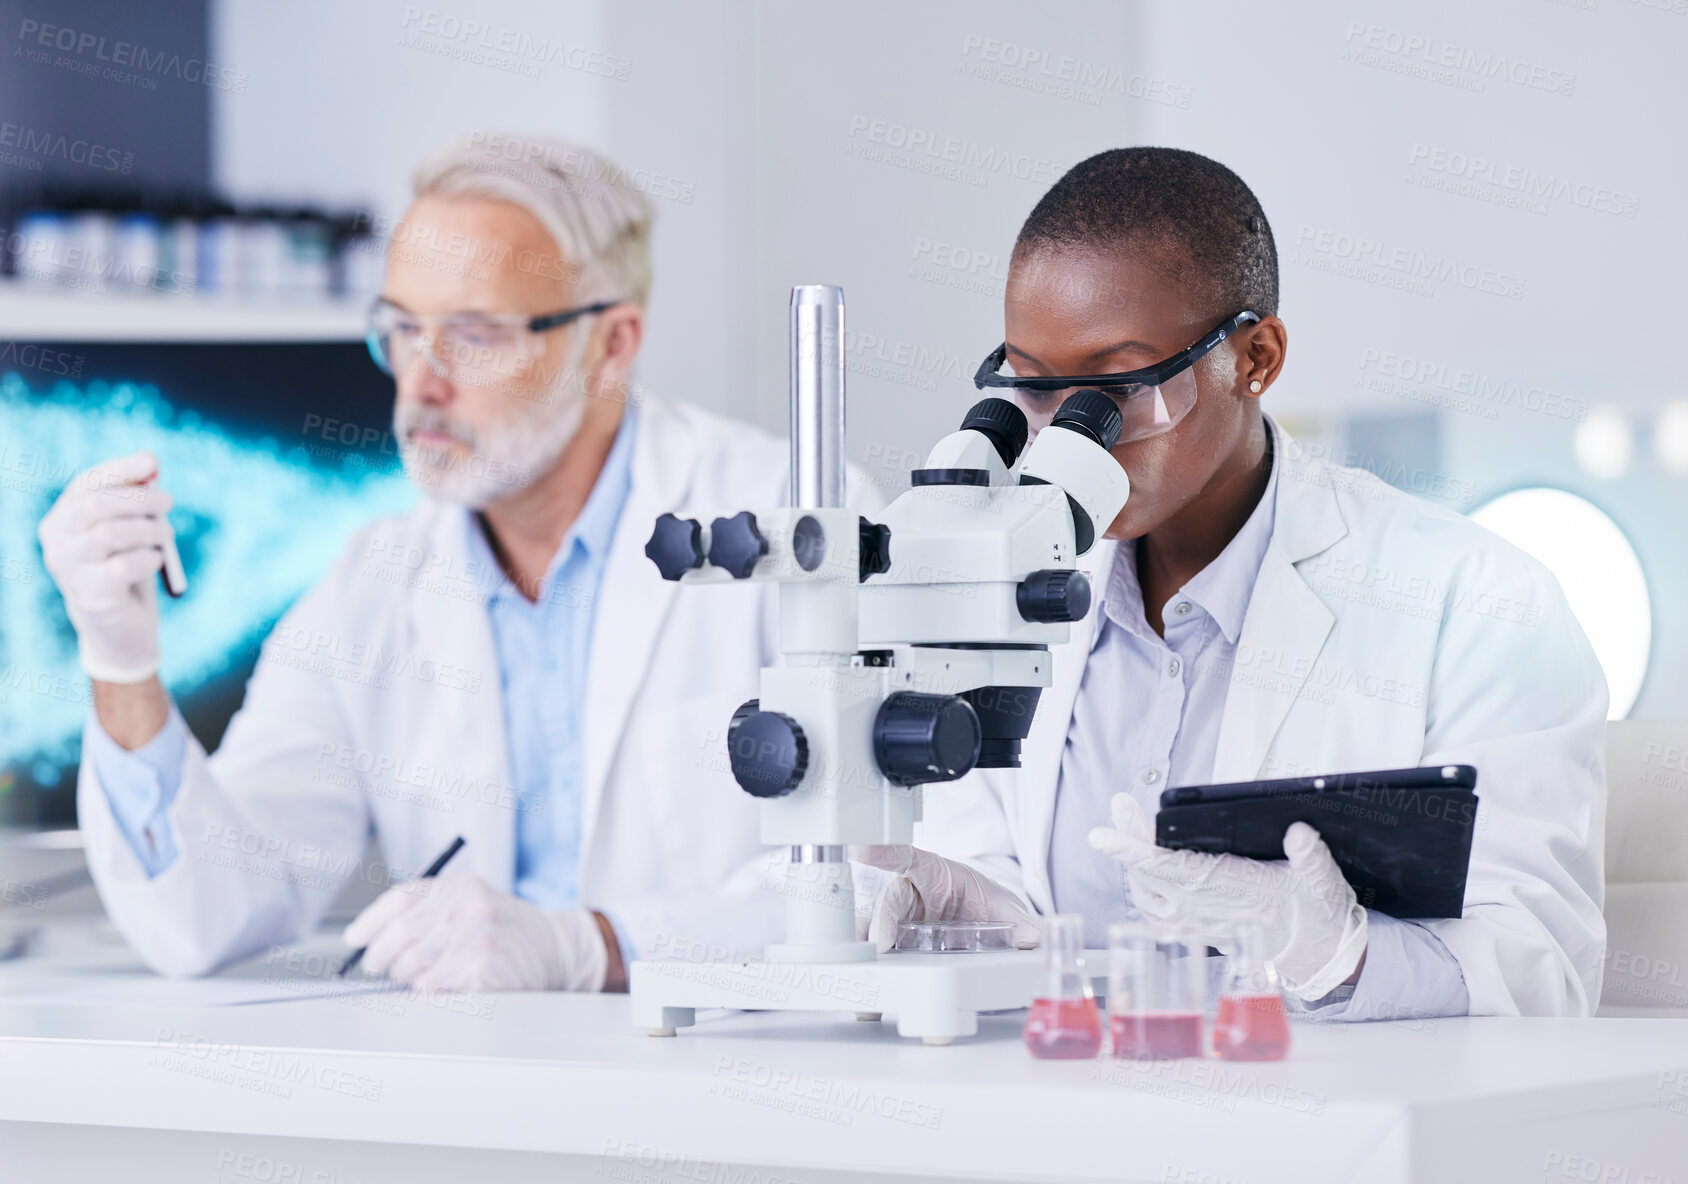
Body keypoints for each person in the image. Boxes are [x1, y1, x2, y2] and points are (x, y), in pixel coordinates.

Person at [42, 133, 874, 990]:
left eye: (473, 335)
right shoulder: (379, 577)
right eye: (402, 329)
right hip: (467, 1085)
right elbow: (208, 915)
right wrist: (122, 665)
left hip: (730, 1079)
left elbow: (892, 879)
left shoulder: (797, 522)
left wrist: (595, 947)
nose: (419, 381)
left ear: (613, 346)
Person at [857, 148, 1606, 1020]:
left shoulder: (1474, 603)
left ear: (1256, 357)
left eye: (1118, 388)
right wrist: (978, 924)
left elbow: (1540, 973)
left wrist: (1337, 954)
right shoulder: (1006, 588)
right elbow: (1015, 896)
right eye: (1033, 388)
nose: (1073, 438)